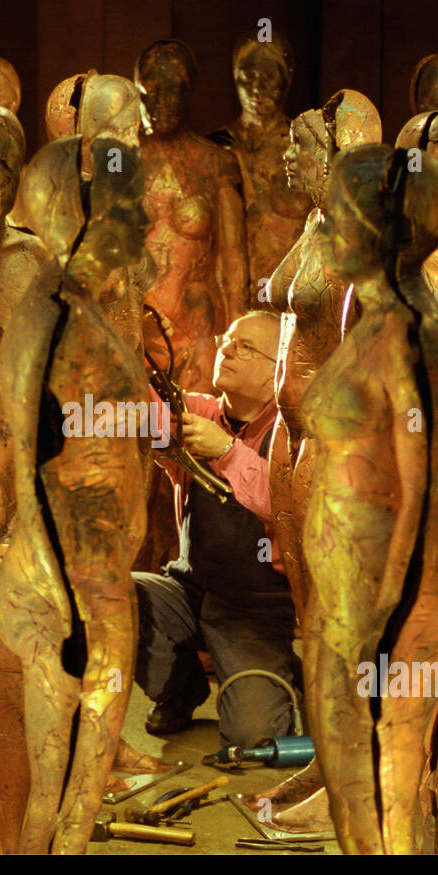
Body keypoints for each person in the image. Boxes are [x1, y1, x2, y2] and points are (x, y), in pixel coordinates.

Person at [134, 310, 300, 747]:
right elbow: (140, 412)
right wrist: (142, 352)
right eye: (228, 339)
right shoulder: (198, 412)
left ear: (276, 372)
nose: (227, 349)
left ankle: (286, 676)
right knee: (117, 596)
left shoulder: (292, 436)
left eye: (246, 348)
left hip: (255, 608)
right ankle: (181, 689)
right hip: (188, 590)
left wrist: (227, 451)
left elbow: (290, 505)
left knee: (253, 736)